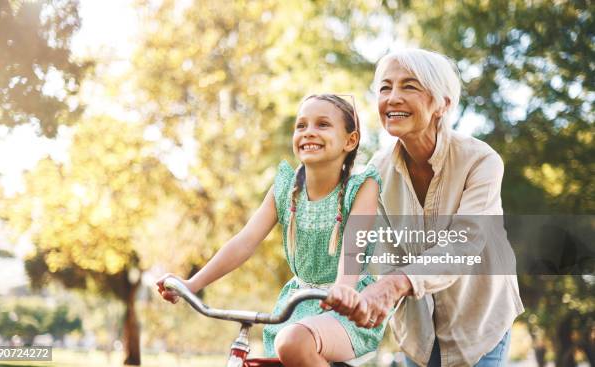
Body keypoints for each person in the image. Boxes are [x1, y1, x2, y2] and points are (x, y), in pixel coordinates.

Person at [156, 94, 386, 367]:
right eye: (301, 126)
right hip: (296, 306)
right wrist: (192, 284)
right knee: (285, 344)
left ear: (350, 140)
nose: (309, 131)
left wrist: (343, 290)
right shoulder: (286, 189)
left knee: (293, 342)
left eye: (322, 124)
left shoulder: (361, 188)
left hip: (345, 309)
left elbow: (352, 251)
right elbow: (244, 242)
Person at [329, 49, 524, 366]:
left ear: (443, 104)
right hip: (418, 330)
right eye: (385, 88)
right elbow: (361, 243)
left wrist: (393, 284)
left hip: (478, 323)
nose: (392, 98)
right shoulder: (376, 172)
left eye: (409, 86)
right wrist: (345, 291)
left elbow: (464, 243)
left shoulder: (481, 160)